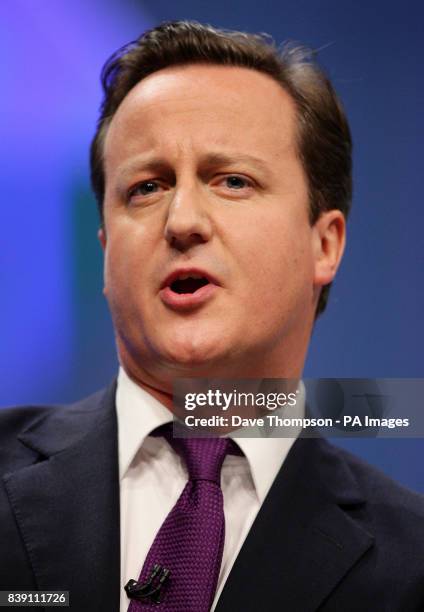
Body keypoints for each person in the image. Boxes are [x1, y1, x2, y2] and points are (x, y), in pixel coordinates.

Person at [1, 20, 423, 612]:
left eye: (232, 181)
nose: (182, 222)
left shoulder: (412, 564)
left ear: (324, 245)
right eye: (146, 188)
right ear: (104, 252)